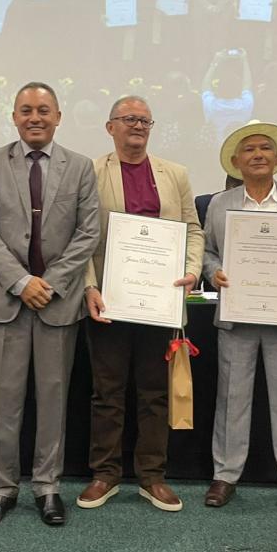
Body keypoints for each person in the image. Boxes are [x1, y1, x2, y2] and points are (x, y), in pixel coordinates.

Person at [0, 81, 99, 527]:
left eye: (44, 110)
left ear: (58, 116)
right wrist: (21, 281)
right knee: (4, 403)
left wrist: (50, 282)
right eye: (26, 110)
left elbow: (88, 232)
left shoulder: (81, 167)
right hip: (5, 302)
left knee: (53, 399)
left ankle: (48, 488)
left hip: (58, 303)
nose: (35, 118)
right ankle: (1, 488)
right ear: (14, 117)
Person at [76, 96, 204, 513]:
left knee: (154, 392)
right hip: (109, 301)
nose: (137, 126)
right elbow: (81, 237)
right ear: (110, 126)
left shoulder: (175, 174)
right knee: (106, 392)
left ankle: (152, 476)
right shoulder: (90, 172)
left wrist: (190, 271)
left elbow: (193, 230)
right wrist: (89, 287)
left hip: (160, 301)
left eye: (144, 120)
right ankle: (105, 474)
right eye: (128, 119)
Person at [201, 122, 277, 512]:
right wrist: (213, 273)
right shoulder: (220, 204)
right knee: (231, 399)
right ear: (236, 161)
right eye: (249, 150)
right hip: (238, 317)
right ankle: (225, 476)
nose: (257, 155)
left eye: (265, 149)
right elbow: (207, 252)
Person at [202, 48, 254, 141]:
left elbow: (206, 85)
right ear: (239, 90)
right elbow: (247, 84)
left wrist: (215, 62)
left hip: (217, 150)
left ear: (218, 90)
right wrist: (245, 61)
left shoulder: (212, 106)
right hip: (240, 147)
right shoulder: (244, 105)